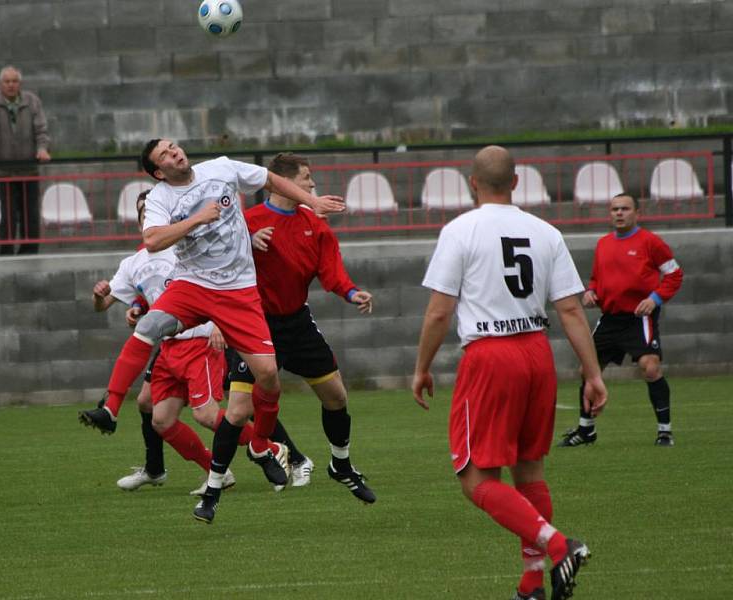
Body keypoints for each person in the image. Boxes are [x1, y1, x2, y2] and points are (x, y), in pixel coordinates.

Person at [78, 139, 345, 524]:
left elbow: (269, 178)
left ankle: (263, 446)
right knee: (153, 376)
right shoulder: (158, 204)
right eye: (165, 155)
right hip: (192, 293)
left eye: (174, 147)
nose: (175, 153)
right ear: (158, 173)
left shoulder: (220, 167)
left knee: (266, 376)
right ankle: (110, 409)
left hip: (233, 298)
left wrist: (312, 202)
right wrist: (195, 220)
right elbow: (152, 245)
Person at [412, 146, 608, 600]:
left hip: (491, 356)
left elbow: (440, 312)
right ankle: (531, 585)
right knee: (530, 471)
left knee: (476, 479)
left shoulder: (460, 230)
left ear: (472, 183)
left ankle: (561, 545)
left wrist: (422, 367)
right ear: (517, 183)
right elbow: (572, 310)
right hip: (537, 353)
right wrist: (593, 374)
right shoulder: (545, 231)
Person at [85, 191, 285, 494]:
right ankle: (215, 471)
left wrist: (219, 324)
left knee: (205, 414)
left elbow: (218, 285)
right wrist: (100, 297)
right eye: (142, 212)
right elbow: (110, 303)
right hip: (167, 348)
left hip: (199, 343)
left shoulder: (186, 251)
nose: (147, 216)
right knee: (160, 419)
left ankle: (270, 447)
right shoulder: (133, 263)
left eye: (151, 211)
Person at [225, 152, 376, 502]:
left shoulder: (315, 225)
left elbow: (331, 271)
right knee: (237, 411)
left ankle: (340, 465)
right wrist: (246, 243)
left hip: (296, 322)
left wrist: (351, 292)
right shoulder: (246, 222)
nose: (312, 184)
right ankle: (225, 477)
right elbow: (220, 266)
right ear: (285, 182)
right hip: (254, 324)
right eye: (306, 177)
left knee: (337, 396)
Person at [559, 193, 683, 448]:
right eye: (615, 209)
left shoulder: (651, 242)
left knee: (650, 367)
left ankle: (664, 431)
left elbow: (674, 274)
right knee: (587, 370)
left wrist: (655, 299)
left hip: (639, 318)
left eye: (625, 209)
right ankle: (586, 431)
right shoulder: (603, 243)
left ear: (637, 212)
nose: (619, 213)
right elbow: (596, 278)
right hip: (610, 319)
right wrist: (591, 291)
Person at [0, 65, 51, 255]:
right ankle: (6, 251)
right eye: (7, 81)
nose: (11, 85)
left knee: (30, 213)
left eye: (14, 81)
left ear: (19, 83)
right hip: (4, 171)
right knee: (8, 214)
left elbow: (41, 130)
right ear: (0, 84)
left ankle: (30, 251)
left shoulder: (32, 101)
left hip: (29, 170)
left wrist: (42, 149)